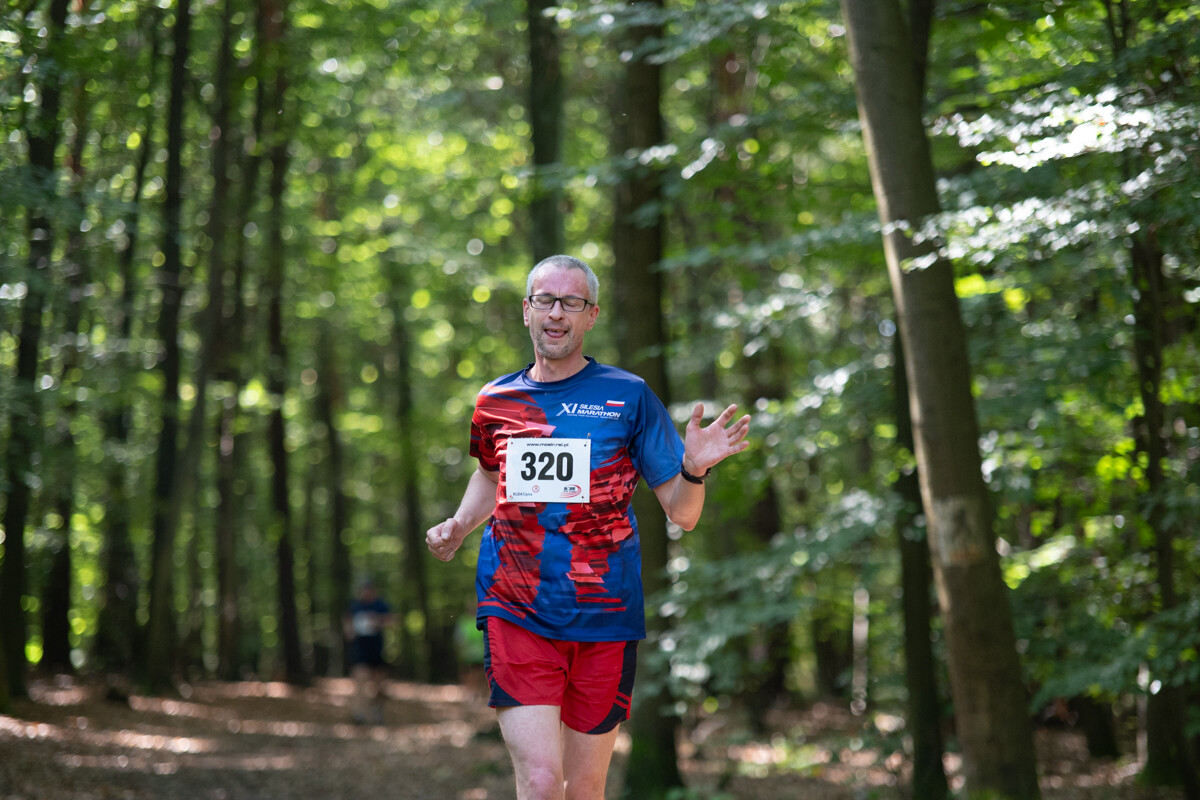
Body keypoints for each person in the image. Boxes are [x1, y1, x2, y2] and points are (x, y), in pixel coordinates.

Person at [426, 254, 751, 800]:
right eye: (545, 301)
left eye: (571, 302)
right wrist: (459, 524)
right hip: (516, 604)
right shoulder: (495, 401)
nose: (557, 313)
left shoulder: (628, 396)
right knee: (540, 780)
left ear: (591, 315)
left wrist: (695, 467)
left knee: (584, 788)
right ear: (526, 311)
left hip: (605, 612)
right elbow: (489, 473)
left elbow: (684, 512)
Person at [342, 578, 394, 725]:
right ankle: (358, 713)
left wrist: (377, 621)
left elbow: (392, 620)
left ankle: (378, 711)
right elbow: (346, 623)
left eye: (369, 590)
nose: (367, 593)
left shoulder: (380, 605)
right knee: (360, 679)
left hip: (377, 649)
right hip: (360, 650)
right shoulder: (355, 606)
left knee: (380, 683)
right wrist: (349, 631)